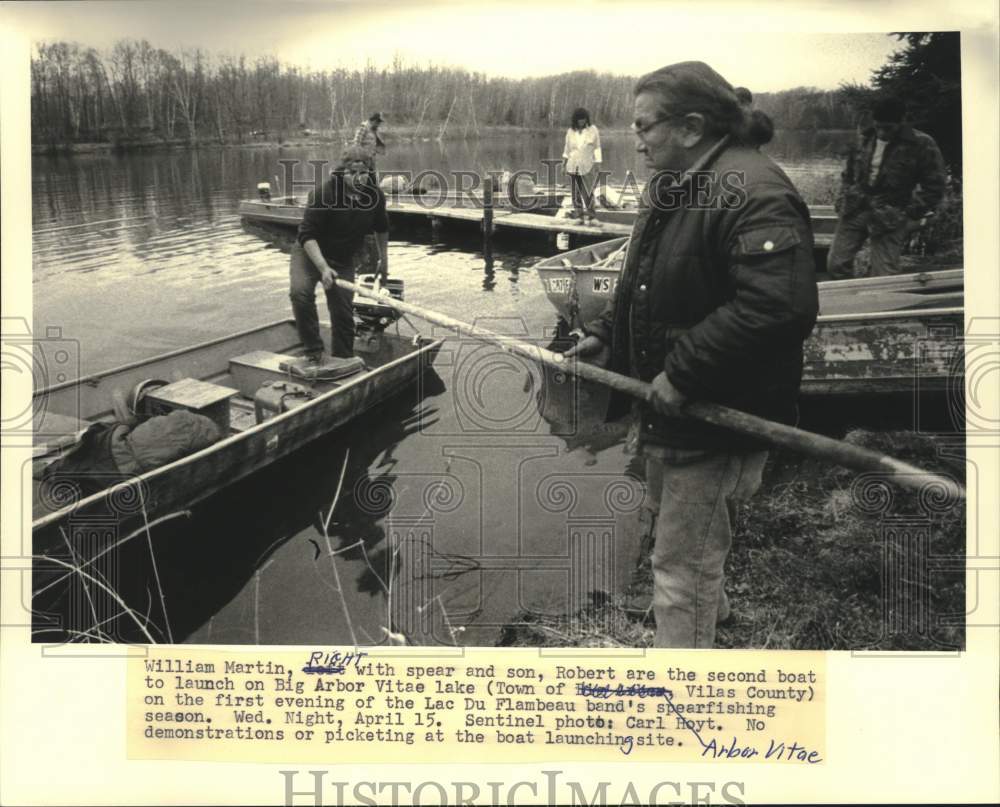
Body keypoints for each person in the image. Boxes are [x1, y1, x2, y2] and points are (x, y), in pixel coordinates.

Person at [564, 61, 819, 648]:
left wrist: (682, 371)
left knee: (678, 568)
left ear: (691, 126)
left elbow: (777, 309)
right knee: (681, 522)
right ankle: (716, 610)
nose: (637, 139)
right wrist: (607, 331)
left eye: (645, 125)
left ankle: (682, 696)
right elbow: (645, 276)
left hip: (716, 408)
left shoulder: (756, 192)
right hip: (675, 408)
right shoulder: (678, 182)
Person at [827, 97, 946, 278]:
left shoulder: (922, 143)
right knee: (835, 265)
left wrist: (909, 212)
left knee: (884, 275)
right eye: (878, 126)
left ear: (901, 121)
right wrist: (843, 197)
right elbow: (848, 174)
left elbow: (935, 184)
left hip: (891, 215)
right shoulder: (863, 139)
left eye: (888, 128)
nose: (882, 132)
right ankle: (850, 302)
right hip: (855, 209)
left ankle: (881, 304)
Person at [290, 145, 389, 360]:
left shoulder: (375, 196)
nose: (358, 178)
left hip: (342, 260)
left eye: (363, 173)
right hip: (309, 255)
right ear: (342, 172)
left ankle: (343, 358)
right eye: (352, 173)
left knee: (343, 312)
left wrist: (384, 263)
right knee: (300, 294)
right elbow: (307, 235)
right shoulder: (323, 194)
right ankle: (314, 351)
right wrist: (323, 268)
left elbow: (381, 229)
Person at [562, 107, 603, 225]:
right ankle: (578, 216)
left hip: (587, 165)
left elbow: (597, 147)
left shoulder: (593, 130)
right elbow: (567, 149)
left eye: (583, 119)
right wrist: (563, 164)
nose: (582, 122)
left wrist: (598, 163)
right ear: (575, 120)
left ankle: (592, 217)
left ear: (586, 119)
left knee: (588, 191)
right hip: (572, 165)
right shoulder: (570, 131)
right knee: (575, 192)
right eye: (579, 119)